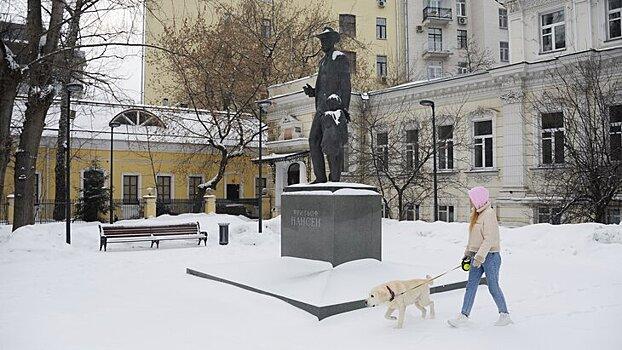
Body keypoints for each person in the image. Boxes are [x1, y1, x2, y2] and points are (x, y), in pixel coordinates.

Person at [448, 186, 513, 327]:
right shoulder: (476, 214)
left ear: (478, 199)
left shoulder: (489, 214)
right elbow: (473, 239)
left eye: (471, 198)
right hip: (477, 256)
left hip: (490, 256)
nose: (469, 201)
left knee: (493, 287)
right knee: (471, 285)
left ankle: (505, 314)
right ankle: (464, 315)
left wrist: (479, 257)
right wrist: (467, 254)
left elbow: (489, 239)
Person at [303, 26, 351, 183]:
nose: (322, 43)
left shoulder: (340, 58)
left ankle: (335, 179)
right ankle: (321, 177)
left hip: (333, 108)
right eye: (321, 40)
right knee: (313, 140)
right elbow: (324, 85)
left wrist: (343, 108)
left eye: (324, 40)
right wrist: (313, 92)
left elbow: (345, 84)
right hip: (321, 108)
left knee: (332, 142)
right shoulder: (323, 61)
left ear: (332, 40)